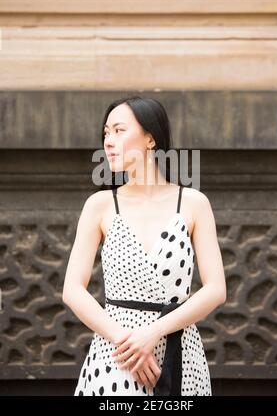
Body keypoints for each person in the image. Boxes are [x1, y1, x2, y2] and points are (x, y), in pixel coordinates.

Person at [62, 95, 226, 396]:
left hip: (180, 354)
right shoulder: (100, 205)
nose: (109, 141)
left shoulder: (193, 203)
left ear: (150, 139)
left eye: (119, 130)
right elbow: (72, 289)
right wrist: (128, 342)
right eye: (105, 133)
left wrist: (152, 332)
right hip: (117, 356)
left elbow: (216, 289)